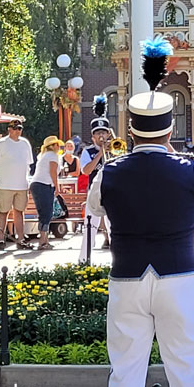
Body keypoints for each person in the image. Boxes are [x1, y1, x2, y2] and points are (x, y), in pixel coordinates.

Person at [87, 37, 194, 387]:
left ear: (130, 130)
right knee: (187, 371)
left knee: (124, 373)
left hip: (126, 277)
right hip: (178, 276)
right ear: (170, 129)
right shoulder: (189, 168)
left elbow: (94, 211)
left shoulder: (109, 172)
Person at [0, 120, 33, 248]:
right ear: (9, 129)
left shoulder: (25, 143)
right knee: (3, 212)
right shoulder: (1, 144)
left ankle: (21, 238)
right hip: (5, 185)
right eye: (15, 128)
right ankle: (1, 239)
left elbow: (28, 162)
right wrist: (0, 175)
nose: (18, 131)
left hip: (22, 184)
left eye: (20, 128)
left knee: (19, 212)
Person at [80, 95, 114, 263]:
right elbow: (86, 171)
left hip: (113, 192)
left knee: (115, 229)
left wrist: (110, 151)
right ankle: (84, 260)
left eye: (104, 132)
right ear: (93, 136)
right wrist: (100, 153)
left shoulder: (115, 148)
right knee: (89, 228)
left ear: (108, 134)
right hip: (94, 193)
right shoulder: (88, 151)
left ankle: (120, 262)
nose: (101, 135)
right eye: (98, 133)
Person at [30, 136, 64, 251]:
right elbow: (53, 172)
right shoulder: (52, 156)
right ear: (53, 146)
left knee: (43, 213)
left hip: (38, 184)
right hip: (44, 184)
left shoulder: (44, 155)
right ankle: (43, 242)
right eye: (57, 144)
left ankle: (44, 240)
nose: (59, 147)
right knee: (47, 213)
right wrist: (57, 186)